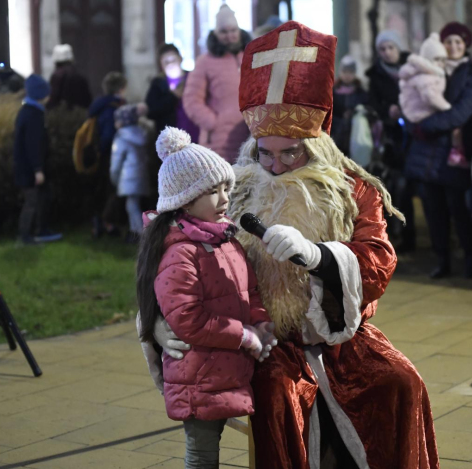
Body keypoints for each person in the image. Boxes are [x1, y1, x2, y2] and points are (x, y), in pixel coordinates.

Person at [144, 21, 439, 469]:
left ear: (314, 145)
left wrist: (318, 256)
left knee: (402, 383)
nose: (275, 166)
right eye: (265, 152)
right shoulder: (232, 190)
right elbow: (175, 255)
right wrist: (159, 324)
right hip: (264, 339)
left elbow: (378, 260)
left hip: (340, 336)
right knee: (279, 396)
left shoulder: (352, 190)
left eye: (290, 154)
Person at [136, 127, 276, 468]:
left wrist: (261, 322)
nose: (224, 199)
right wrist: (243, 336)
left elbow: (249, 289)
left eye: (225, 188)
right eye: (212, 191)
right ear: (183, 199)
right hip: (196, 374)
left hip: (226, 366)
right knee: (202, 454)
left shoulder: (225, 238)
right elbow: (187, 319)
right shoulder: (179, 252)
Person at [405, 21, 472, 277]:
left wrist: (424, 126)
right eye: (448, 42)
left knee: (458, 208)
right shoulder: (431, 69)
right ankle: (442, 260)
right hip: (427, 154)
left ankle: (469, 258)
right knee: (433, 209)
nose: (453, 47)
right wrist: (409, 120)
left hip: (453, 152)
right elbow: (412, 101)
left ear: (466, 45)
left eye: (458, 42)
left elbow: (461, 112)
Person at [182, 5, 251, 163]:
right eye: (224, 32)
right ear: (216, 33)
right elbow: (192, 100)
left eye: (233, 30)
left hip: (250, 138)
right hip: (219, 142)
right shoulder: (205, 62)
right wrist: (213, 123)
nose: (230, 36)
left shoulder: (251, 57)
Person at [13, 75, 62, 245]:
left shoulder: (28, 112)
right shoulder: (33, 115)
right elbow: (33, 144)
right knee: (32, 202)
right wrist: (38, 169)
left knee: (40, 199)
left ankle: (40, 231)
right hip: (30, 170)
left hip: (28, 168)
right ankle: (26, 236)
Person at [89, 72, 128, 239]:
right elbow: (108, 134)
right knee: (112, 191)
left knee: (101, 190)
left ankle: (99, 222)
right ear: (120, 88)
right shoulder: (112, 108)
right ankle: (107, 223)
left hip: (101, 155)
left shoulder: (99, 105)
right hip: (110, 155)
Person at [366, 29, 409, 170]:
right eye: (383, 49)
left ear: (398, 48)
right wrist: (388, 110)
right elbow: (373, 103)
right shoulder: (375, 75)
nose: (387, 52)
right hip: (389, 129)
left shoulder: (411, 68)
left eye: (391, 47)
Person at [110, 103, 150, 243]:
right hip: (140, 175)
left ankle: (140, 233)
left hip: (127, 177)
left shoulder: (121, 137)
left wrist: (114, 178)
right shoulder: (141, 135)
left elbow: (116, 161)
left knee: (132, 206)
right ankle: (135, 232)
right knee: (132, 204)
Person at [145, 43, 200, 142]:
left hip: (194, 134)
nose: (170, 64)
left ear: (180, 58)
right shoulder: (158, 83)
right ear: (161, 64)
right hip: (170, 140)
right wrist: (172, 97)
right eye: (166, 62)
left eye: (173, 60)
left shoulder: (193, 79)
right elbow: (151, 111)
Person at [399, 32, 452, 124]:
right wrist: (447, 107)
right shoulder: (427, 75)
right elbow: (430, 96)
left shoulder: (423, 71)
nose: (440, 63)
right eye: (436, 59)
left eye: (443, 60)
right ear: (427, 59)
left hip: (416, 115)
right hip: (423, 116)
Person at [331, 55, 369, 155]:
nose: (347, 76)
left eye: (350, 72)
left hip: (354, 133)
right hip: (336, 131)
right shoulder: (333, 91)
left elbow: (366, 106)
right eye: (345, 72)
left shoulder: (360, 92)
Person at [46, 44, 92, 110]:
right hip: (79, 117)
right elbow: (88, 101)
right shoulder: (79, 77)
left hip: (59, 117)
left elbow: (52, 100)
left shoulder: (55, 77)